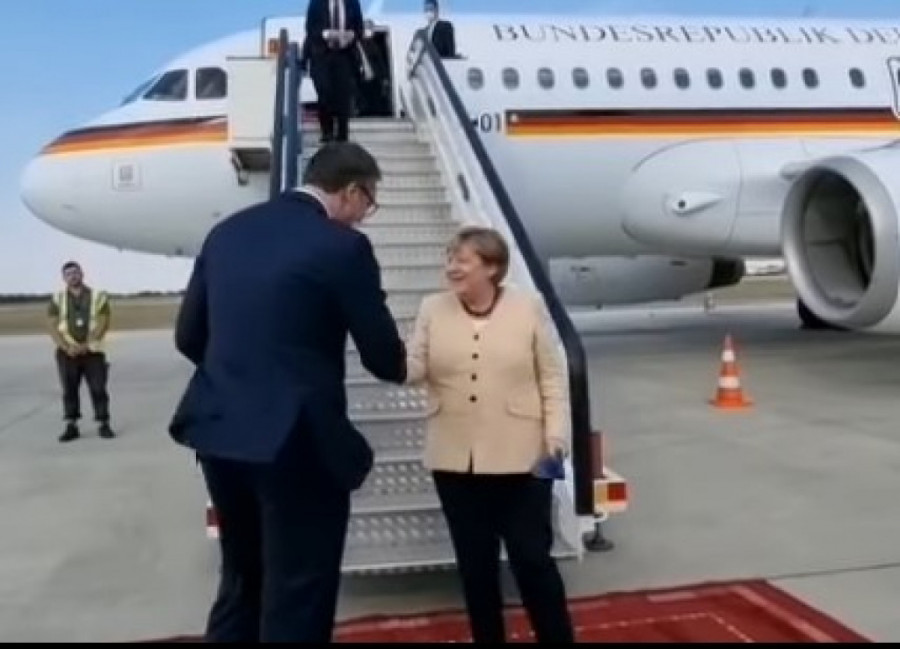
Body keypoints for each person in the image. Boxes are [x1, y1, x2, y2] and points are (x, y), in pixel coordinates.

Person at [168, 142, 407, 643]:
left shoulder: (227, 232)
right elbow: (382, 357)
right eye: (369, 203)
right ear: (351, 191)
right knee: (298, 592)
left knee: (241, 581)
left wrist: (242, 375)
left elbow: (188, 336)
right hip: (296, 444)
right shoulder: (343, 247)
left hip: (219, 431)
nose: (364, 216)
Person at [404, 226, 575, 644]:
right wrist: (382, 348)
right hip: (454, 460)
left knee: (533, 560)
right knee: (475, 567)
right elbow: (413, 369)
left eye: (462, 260)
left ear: (492, 267)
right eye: (450, 259)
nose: (452, 267)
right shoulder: (432, 308)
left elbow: (551, 378)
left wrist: (556, 438)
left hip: (527, 457)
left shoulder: (527, 306)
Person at [47, 261, 115, 442]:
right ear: (64, 278)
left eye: (75, 272)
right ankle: (72, 425)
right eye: (69, 274)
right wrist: (66, 347)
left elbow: (103, 323)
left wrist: (86, 344)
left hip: (93, 352)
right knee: (69, 389)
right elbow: (52, 326)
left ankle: (103, 423)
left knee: (98, 388)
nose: (73, 276)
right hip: (67, 353)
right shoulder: (57, 298)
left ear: (82, 274)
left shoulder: (98, 296)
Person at [304, 0, 364, 142]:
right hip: (322, 54)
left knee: (343, 95)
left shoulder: (352, 3)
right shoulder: (317, 3)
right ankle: (327, 131)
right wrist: (325, 34)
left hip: (344, 54)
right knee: (324, 91)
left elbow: (359, 28)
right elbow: (310, 28)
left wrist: (352, 35)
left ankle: (343, 134)